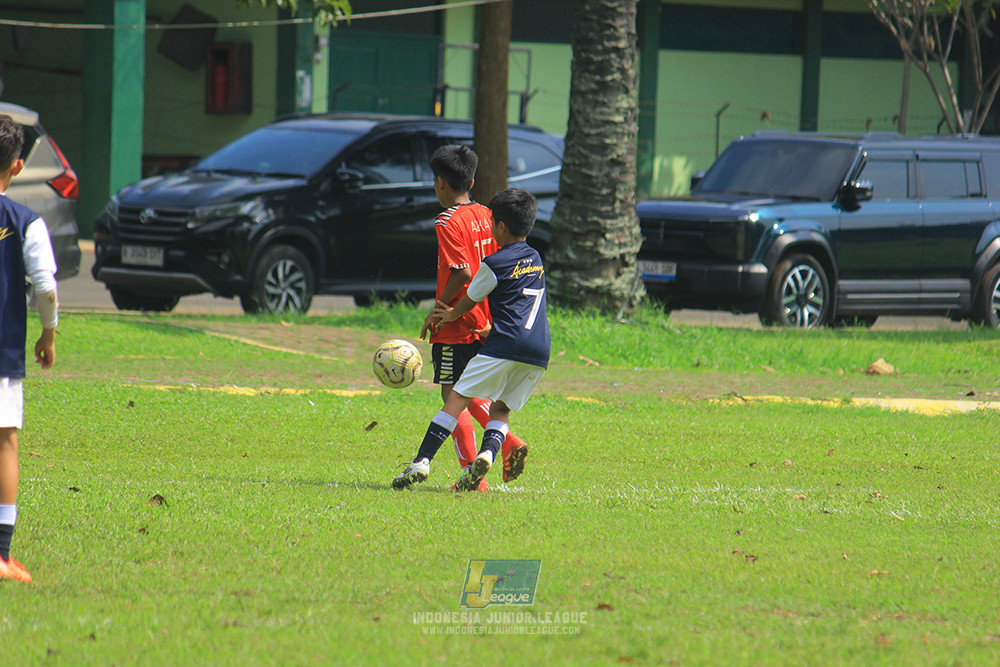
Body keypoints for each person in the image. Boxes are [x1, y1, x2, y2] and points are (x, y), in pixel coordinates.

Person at [394, 187, 548, 491]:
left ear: (501, 227)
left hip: (505, 344)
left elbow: (471, 298)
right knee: (500, 408)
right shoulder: (536, 258)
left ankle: (421, 461)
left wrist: (450, 315)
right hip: (539, 350)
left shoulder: (496, 263)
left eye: (493, 223)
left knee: (455, 399)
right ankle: (488, 454)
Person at [417, 145, 529, 490]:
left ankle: (474, 472)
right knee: (469, 391)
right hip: (484, 318)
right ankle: (507, 443)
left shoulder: (447, 220)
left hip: (457, 320)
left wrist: (440, 309)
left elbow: (461, 272)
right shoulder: (486, 213)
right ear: (472, 179)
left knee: (452, 397)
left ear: (439, 183)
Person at [0, 114, 59, 583]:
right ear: (17, 167)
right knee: (5, 442)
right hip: (2, 354)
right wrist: (48, 334)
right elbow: (46, 286)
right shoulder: (25, 222)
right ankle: (1, 554)